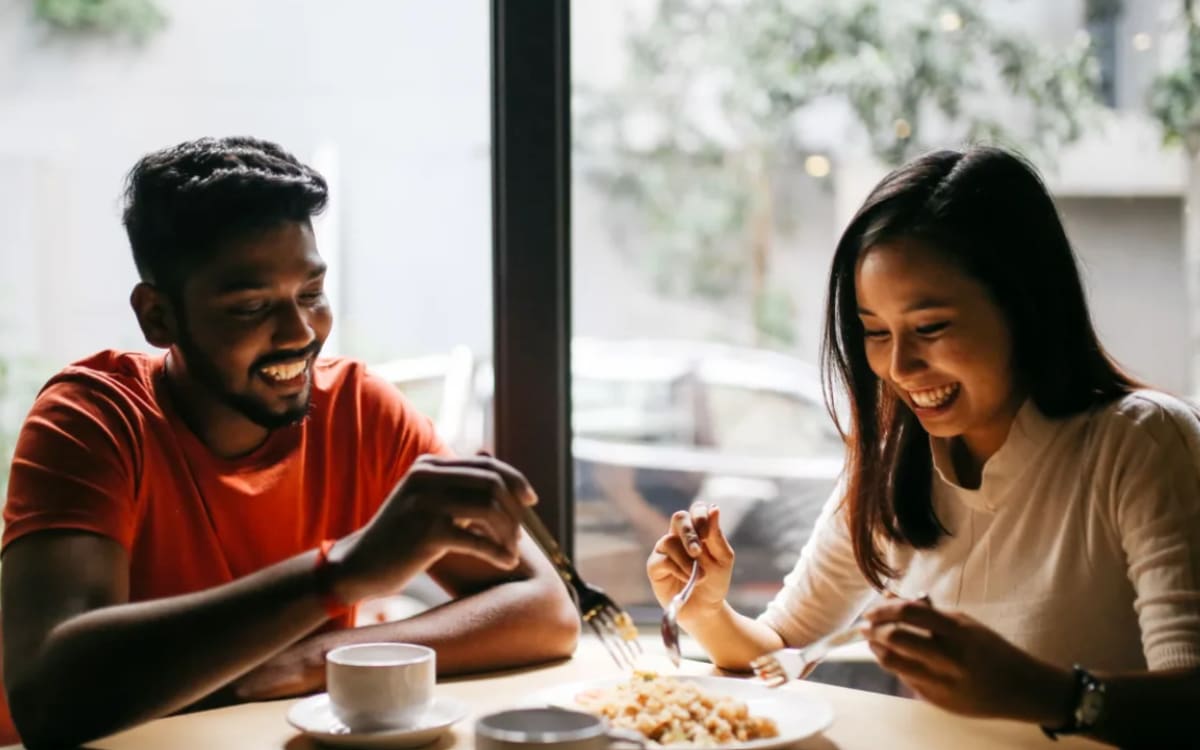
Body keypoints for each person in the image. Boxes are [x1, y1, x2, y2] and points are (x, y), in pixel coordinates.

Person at [0, 136, 580, 748]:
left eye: (311, 294)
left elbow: (546, 610)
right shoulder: (93, 419)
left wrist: (311, 660)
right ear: (159, 317)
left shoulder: (359, 411)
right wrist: (341, 573)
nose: (300, 332)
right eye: (252, 307)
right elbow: (47, 697)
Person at [647, 146, 1200, 747]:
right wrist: (705, 610)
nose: (899, 366)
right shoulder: (895, 463)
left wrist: (1047, 693)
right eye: (875, 332)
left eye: (931, 328)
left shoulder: (1141, 442)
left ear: (1025, 306)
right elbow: (782, 649)